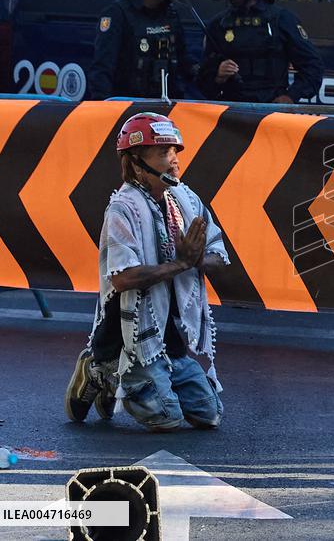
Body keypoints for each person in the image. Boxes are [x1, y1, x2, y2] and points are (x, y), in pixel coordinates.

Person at [65, 112, 230, 431]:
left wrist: (196, 260)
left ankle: (145, 378)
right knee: (167, 419)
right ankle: (103, 370)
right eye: (163, 152)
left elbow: (218, 257)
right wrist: (179, 264)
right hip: (130, 340)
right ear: (137, 163)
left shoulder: (185, 200)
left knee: (209, 415)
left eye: (175, 151)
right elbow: (122, 278)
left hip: (169, 339)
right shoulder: (122, 208)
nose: (174, 159)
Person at [197, 0, 323, 103]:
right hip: (231, 109)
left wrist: (290, 97)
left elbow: (312, 66)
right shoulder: (218, 24)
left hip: (271, 109)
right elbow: (202, 82)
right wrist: (217, 76)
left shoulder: (281, 19)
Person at [88, 0, 198, 101]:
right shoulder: (117, 14)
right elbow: (102, 71)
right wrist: (105, 110)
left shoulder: (170, 14)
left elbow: (183, 60)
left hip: (165, 109)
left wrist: (207, 72)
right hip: (128, 109)